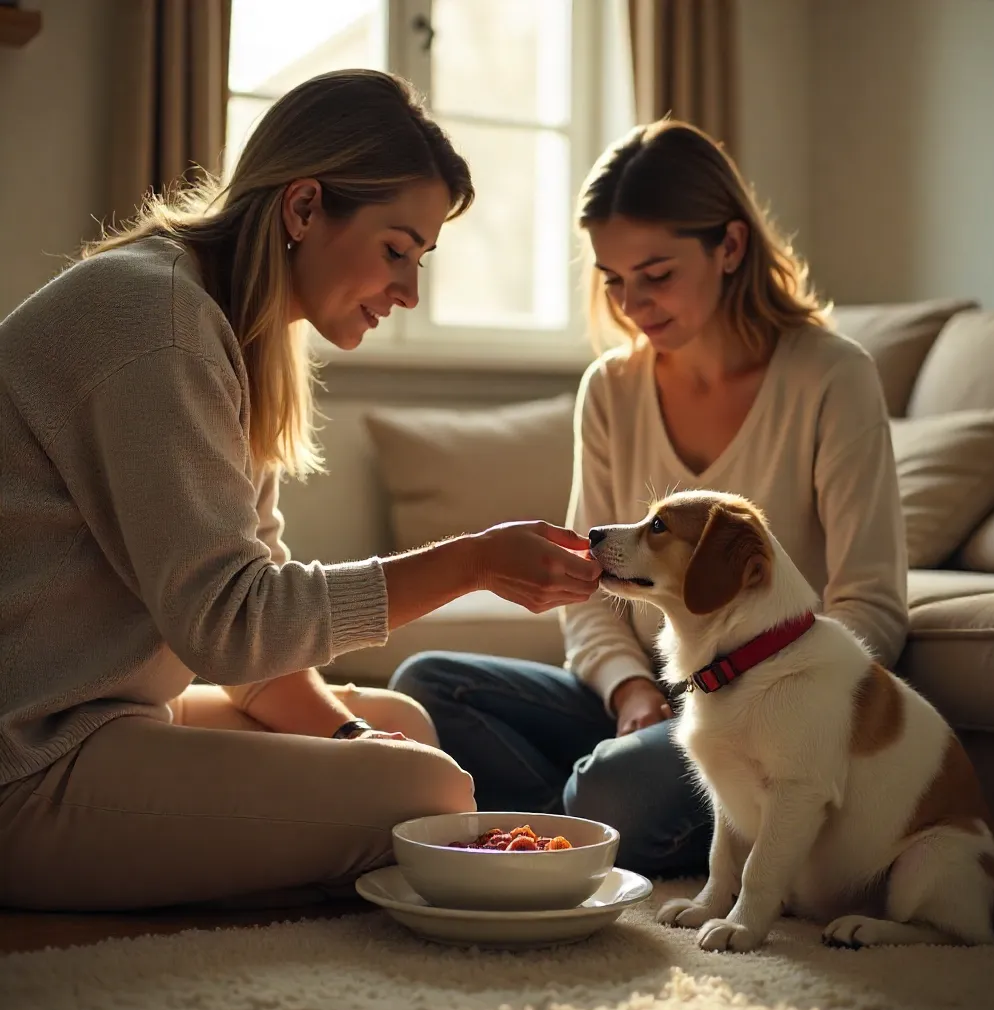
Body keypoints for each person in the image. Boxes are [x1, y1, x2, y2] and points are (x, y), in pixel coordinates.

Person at [0, 69, 602, 912]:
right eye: (396, 249)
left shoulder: (227, 331)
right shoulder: (159, 326)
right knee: (421, 795)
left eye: (421, 258)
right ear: (305, 207)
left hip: (108, 718)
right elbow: (236, 627)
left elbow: (256, 653)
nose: (409, 291)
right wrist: (470, 563)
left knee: (408, 735)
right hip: (28, 758)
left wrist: (354, 739)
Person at [390, 120, 910, 878]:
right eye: (612, 279)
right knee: (426, 686)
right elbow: (587, 587)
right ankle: (603, 810)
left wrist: (731, 706)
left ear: (730, 247)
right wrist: (633, 691)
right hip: (648, 700)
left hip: (772, 715)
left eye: (657, 274)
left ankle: (581, 812)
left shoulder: (833, 377)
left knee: (615, 784)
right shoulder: (610, 389)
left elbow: (870, 609)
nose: (632, 302)